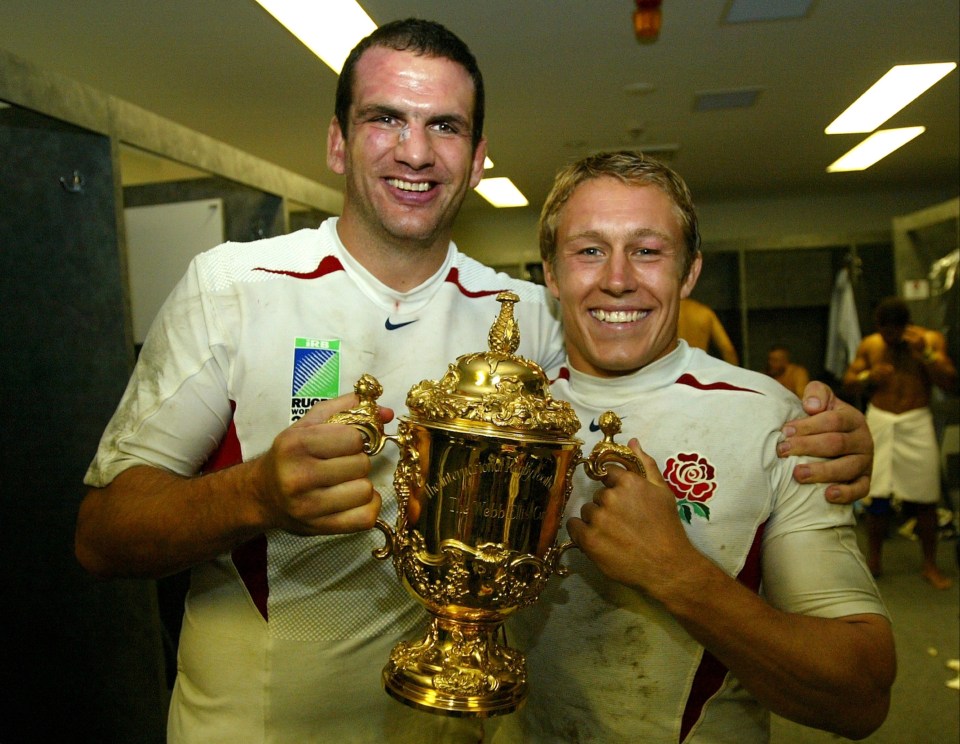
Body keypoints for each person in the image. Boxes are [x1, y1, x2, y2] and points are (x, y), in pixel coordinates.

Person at [76, 20, 874, 743]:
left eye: (444, 126)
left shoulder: (530, 317)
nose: (416, 151)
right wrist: (254, 495)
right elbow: (102, 534)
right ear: (336, 142)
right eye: (385, 117)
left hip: (469, 730)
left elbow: (656, 379)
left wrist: (823, 431)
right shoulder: (235, 287)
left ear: (478, 155)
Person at [491, 152, 895, 743]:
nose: (618, 278)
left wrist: (678, 574)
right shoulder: (500, 421)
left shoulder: (771, 422)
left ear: (689, 273)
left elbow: (860, 696)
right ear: (550, 273)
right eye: (589, 250)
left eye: (648, 250)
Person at [844, 296, 957, 589]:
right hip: (880, 418)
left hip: (916, 420)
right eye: (885, 332)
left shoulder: (927, 339)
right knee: (876, 495)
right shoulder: (871, 345)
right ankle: (875, 562)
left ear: (905, 327)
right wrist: (870, 375)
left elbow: (950, 381)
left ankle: (930, 564)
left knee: (925, 496)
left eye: (894, 332)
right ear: (878, 327)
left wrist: (927, 355)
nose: (889, 338)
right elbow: (848, 381)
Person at [678, 296, 739, 364]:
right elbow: (728, 349)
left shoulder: (668, 313)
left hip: (672, 371)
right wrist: (733, 373)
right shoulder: (705, 313)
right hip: (699, 370)